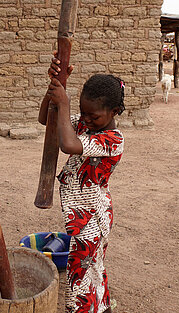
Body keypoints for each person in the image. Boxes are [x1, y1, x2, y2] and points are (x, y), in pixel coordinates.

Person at [39, 55, 125, 313]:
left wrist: (64, 103)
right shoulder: (87, 124)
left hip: (93, 219)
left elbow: (69, 145)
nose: (86, 120)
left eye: (94, 116)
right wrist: (54, 86)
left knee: (79, 278)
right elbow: (48, 120)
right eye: (83, 112)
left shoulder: (112, 139)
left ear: (114, 113)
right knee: (93, 268)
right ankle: (104, 307)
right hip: (82, 216)